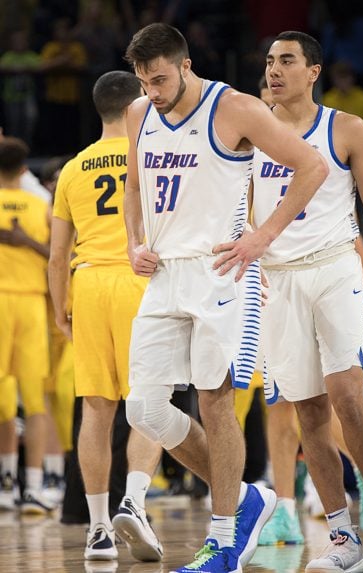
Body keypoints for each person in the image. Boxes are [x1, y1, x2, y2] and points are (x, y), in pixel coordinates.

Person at [122, 22, 327, 573]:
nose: (151, 92)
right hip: (164, 274)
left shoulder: (233, 107)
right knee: (143, 407)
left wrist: (261, 237)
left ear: (185, 65)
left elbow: (312, 165)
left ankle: (223, 542)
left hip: (221, 273)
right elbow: (134, 185)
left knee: (214, 401)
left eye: (160, 79)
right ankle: (247, 496)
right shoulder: (140, 113)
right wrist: (133, 242)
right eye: (143, 81)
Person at [251, 31, 363, 572]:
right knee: (308, 412)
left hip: (334, 266)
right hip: (277, 278)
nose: (275, 70)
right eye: (271, 61)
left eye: (287, 61)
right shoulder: (250, 131)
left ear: (314, 71)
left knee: (346, 392)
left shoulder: (345, 128)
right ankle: (341, 535)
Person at [48, 71, 163, 562]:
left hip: (89, 283)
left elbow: (56, 256)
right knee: (150, 403)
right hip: (142, 281)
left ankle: (98, 530)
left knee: (96, 409)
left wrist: (60, 311)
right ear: (139, 103)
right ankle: (133, 501)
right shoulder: (155, 157)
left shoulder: (72, 168)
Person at [0, 137, 55, 514]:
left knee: (3, 398)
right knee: (35, 400)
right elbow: (58, 254)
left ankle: (6, 484)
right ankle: (34, 485)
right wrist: (28, 241)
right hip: (32, 304)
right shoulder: (41, 205)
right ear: (25, 170)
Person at [322, 60, 363, 142]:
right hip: (334, 145)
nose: (342, 82)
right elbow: (324, 127)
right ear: (333, 80)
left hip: (360, 144)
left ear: (352, 78)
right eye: (338, 78)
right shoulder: (327, 99)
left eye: (345, 77)